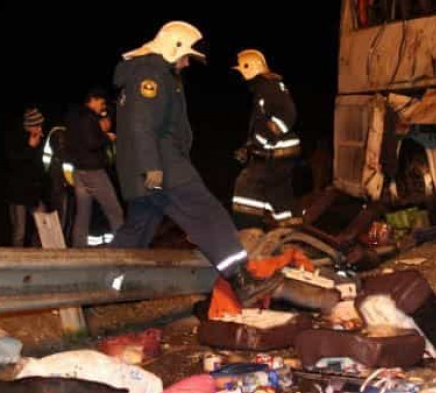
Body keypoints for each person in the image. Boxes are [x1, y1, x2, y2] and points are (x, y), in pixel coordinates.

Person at [109, 21, 281, 305]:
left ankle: (104, 282)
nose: (187, 62)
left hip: (146, 164)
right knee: (207, 213)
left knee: (138, 229)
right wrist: (152, 166)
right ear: (172, 48)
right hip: (161, 163)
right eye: (186, 56)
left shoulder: (149, 72)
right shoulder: (151, 74)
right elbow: (141, 123)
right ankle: (241, 281)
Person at [232, 49, 301, 228]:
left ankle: (247, 229)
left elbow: (288, 113)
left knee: (247, 184)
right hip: (281, 150)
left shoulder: (266, 86)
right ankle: (290, 226)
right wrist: (250, 146)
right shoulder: (269, 86)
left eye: (242, 70)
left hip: (278, 150)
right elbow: (263, 122)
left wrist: (261, 141)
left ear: (249, 68)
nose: (241, 76)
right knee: (276, 189)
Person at [65, 88, 125, 247]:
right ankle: (123, 247)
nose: (102, 107)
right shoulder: (89, 117)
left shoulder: (73, 116)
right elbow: (92, 143)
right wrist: (107, 138)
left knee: (83, 213)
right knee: (114, 210)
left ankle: (79, 248)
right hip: (93, 171)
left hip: (79, 171)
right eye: (102, 103)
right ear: (93, 100)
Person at [5, 108, 47, 246]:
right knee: (19, 232)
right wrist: (30, 147)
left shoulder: (41, 139)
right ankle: (15, 257)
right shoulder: (15, 139)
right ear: (29, 126)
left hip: (34, 194)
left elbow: (40, 166)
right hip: (18, 194)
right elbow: (14, 164)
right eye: (37, 125)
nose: (40, 129)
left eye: (41, 125)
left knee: (43, 226)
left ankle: (36, 252)